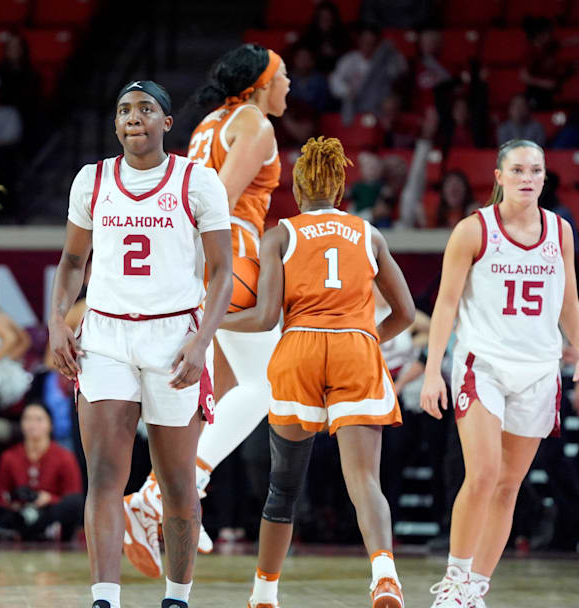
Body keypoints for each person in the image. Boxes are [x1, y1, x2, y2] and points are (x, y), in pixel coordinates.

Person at [48, 79, 233, 608]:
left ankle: (177, 597)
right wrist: (59, 320)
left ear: (166, 123)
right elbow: (70, 262)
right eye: (125, 109)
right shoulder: (92, 180)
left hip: (174, 337)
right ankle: (104, 598)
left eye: (146, 109)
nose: (134, 117)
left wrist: (201, 343)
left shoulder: (197, 182)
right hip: (105, 336)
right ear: (115, 124)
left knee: (177, 486)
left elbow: (223, 271)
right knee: (105, 478)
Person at [218, 136, 414, 608]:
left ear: (299, 189)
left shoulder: (280, 234)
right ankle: (384, 575)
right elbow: (405, 313)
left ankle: (264, 593)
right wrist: (364, 339)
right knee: (365, 481)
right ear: (341, 188)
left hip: (299, 347)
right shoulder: (370, 234)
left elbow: (264, 317)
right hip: (357, 347)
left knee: (283, 485)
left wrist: (213, 322)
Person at [122, 45, 289, 578]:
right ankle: (174, 488)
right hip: (230, 257)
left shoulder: (208, 124)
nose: (290, 84)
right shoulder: (254, 123)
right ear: (262, 83)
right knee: (270, 387)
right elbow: (219, 196)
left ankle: (162, 493)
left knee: (210, 394)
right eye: (283, 75)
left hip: (198, 260)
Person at [420, 139, 579, 607]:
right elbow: (445, 303)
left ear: (544, 178)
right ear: (498, 176)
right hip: (484, 363)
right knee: (481, 474)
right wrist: (433, 371)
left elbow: (570, 302)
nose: (527, 178)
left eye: (535, 170)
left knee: (508, 487)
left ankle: (476, 588)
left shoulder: (560, 231)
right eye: (517, 169)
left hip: (539, 370)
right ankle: (454, 584)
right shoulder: (472, 230)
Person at [0, 402, 84, 542]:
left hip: (47, 512)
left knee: (75, 503)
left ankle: (10, 531)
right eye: (27, 419)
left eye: (39, 419)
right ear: (21, 424)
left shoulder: (65, 456)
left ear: (50, 424)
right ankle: (39, 532)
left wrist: (48, 499)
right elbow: (1, 495)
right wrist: (14, 502)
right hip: (18, 513)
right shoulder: (9, 456)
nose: (32, 424)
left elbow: (73, 494)